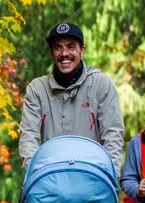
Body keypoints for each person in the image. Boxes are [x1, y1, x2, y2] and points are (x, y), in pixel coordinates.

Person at [18, 22, 125, 175]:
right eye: (58, 47)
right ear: (51, 53)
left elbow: (113, 135)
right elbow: (28, 136)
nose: (64, 53)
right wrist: (35, 175)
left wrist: (109, 176)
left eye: (71, 46)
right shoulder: (37, 89)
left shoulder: (101, 84)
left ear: (82, 51)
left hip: (92, 177)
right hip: (49, 178)